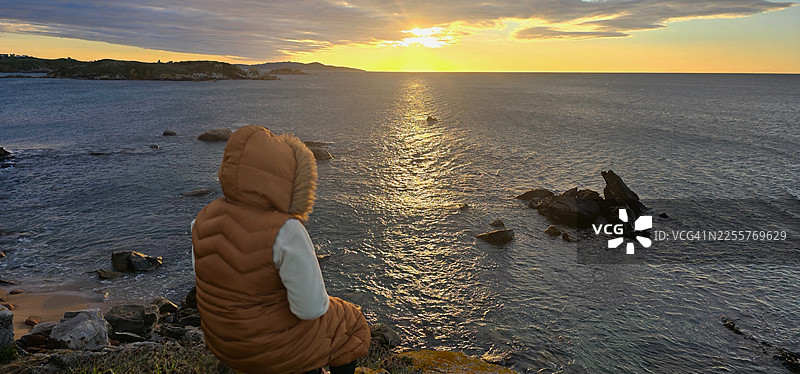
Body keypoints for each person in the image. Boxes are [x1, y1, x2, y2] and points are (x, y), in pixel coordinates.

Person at [191, 126, 370, 374]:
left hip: (222, 343)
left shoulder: (203, 218)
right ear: (286, 177)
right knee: (351, 322)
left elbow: (209, 279)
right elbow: (311, 309)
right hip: (269, 352)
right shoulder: (285, 230)